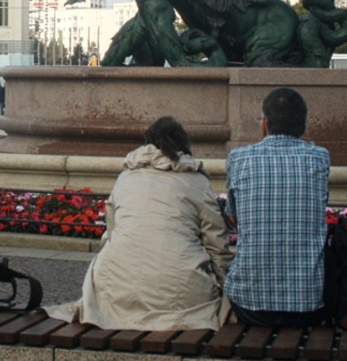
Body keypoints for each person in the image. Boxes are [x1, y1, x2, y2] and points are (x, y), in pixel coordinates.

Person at [46, 117, 232, 330]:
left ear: (147, 143)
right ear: (184, 145)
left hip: (115, 289)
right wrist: (224, 285)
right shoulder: (196, 180)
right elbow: (216, 243)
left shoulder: (126, 176)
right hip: (180, 292)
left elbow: (111, 234)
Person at [224, 87, 331, 327]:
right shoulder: (320, 158)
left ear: (265, 124)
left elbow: (234, 218)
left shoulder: (239, 159)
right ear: (302, 126)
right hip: (308, 304)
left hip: (250, 304)